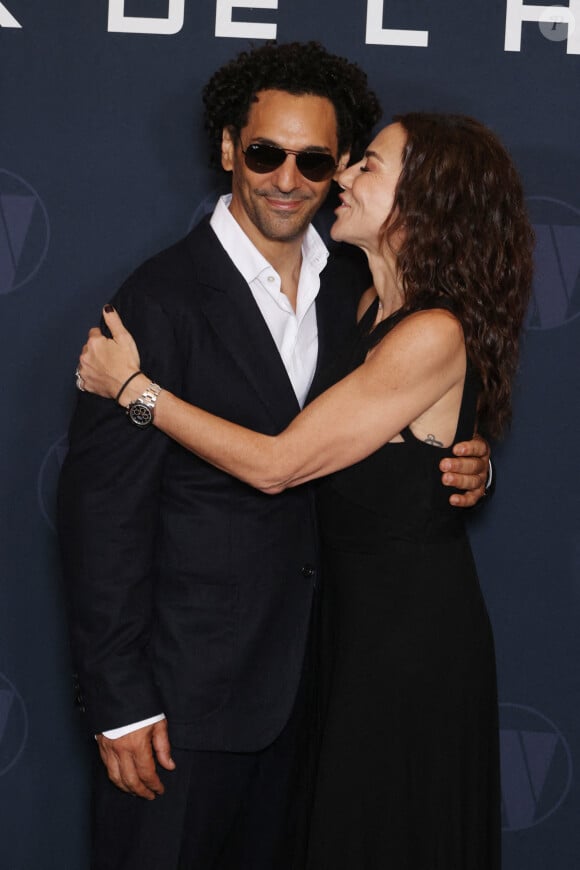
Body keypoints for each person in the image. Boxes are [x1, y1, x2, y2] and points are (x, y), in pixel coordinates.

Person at [60, 42, 490, 870]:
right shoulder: (160, 299)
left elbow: (361, 444)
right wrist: (120, 703)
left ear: (338, 169)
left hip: (317, 694)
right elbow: (100, 520)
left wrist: (467, 461)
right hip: (182, 709)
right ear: (228, 150)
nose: (286, 178)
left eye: (315, 158)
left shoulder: (354, 293)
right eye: (264, 152)